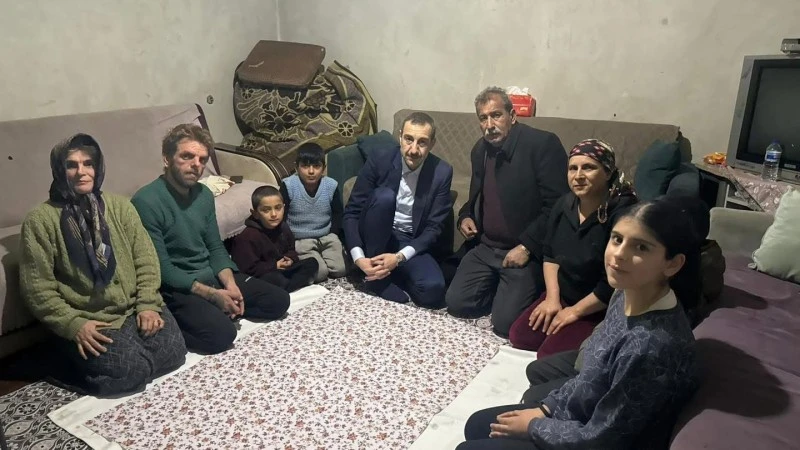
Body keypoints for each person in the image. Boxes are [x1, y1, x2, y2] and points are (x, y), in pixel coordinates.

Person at [457, 196, 702, 450]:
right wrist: (547, 408)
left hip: (597, 442)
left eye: (641, 247)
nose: (619, 254)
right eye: (617, 239)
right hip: (585, 415)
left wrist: (534, 426)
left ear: (673, 264)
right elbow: (590, 374)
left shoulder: (650, 348)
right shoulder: (626, 291)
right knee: (477, 424)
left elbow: (603, 438)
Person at [19, 134, 186, 396]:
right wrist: (74, 325)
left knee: (174, 353)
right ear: (59, 170)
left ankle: (125, 350)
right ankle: (58, 357)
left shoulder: (120, 206)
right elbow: (37, 288)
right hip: (89, 319)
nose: (81, 172)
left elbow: (146, 260)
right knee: (130, 373)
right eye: (71, 165)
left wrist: (147, 304)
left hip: (132, 306)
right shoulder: (40, 220)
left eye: (88, 163)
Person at [132, 124, 290, 354]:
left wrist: (230, 286)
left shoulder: (203, 194)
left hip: (210, 276)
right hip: (179, 286)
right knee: (222, 335)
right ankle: (183, 322)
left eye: (202, 159)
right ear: (167, 158)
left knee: (279, 301)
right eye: (187, 156)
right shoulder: (146, 201)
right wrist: (213, 296)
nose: (196, 164)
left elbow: (215, 247)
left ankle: (220, 310)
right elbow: (162, 269)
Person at [446, 87, 569, 337]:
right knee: (457, 303)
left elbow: (559, 205)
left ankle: (519, 290)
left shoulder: (542, 144)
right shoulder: (480, 150)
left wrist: (527, 247)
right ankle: (499, 287)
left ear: (512, 116)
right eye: (483, 118)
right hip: (486, 248)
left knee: (505, 323)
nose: (490, 125)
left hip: (523, 251)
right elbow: (476, 196)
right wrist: (466, 216)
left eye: (496, 115)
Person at [508, 139, 638, 357]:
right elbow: (550, 255)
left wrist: (574, 312)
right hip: (564, 294)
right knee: (519, 336)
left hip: (599, 304)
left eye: (588, 167)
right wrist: (552, 299)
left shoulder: (623, 215)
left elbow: (614, 283)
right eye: (572, 168)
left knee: (548, 356)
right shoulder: (564, 204)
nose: (578, 175)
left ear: (608, 173)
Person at [343, 111, 453, 307]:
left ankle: (390, 271)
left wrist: (398, 258)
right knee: (384, 197)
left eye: (422, 142)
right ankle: (377, 278)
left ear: (432, 144)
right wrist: (358, 258)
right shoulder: (380, 158)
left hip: (409, 239)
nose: (413, 149)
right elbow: (352, 212)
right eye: (408, 139)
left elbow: (433, 228)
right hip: (377, 230)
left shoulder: (442, 172)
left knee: (433, 291)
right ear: (400, 136)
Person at [229, 185, 319, 292]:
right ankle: (287, 287)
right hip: (263, 274)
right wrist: (275, 265)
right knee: (277, 279)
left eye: (278, 208)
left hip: (282, 269)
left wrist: (290, 259)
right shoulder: (248, 236)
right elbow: (247, 269)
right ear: (255, 214)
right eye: (266, 210)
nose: (274, 214)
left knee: (312, 263)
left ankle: (286, 287)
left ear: (284, 207)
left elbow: (291, 250)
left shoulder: (283, 227)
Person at [280, 142, 346, 282]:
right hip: (301, 239)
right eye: (305, 166)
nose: (311, 171)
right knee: (320, 273)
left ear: (323, 168)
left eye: (316, 166)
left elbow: (338, 213)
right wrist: (288, 243)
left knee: (340, 269)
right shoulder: (289, 185)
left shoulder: (331, 185)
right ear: (296, 167)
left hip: (327, 236)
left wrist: (333, 233)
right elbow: (282, 216)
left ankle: (325, 255)